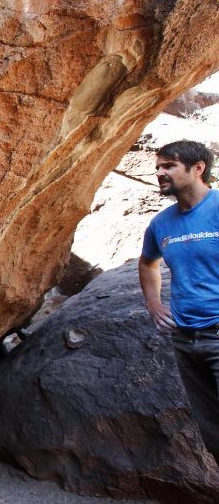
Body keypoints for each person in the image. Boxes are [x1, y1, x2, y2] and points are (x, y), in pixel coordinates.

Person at [138, 140, 219, 460]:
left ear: (197, 168)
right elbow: (147, 263)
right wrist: (153, 304)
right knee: (212, 431)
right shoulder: (161, 224)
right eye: (158, 167)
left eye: (168, 165)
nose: (160, 173)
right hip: (186, 340)